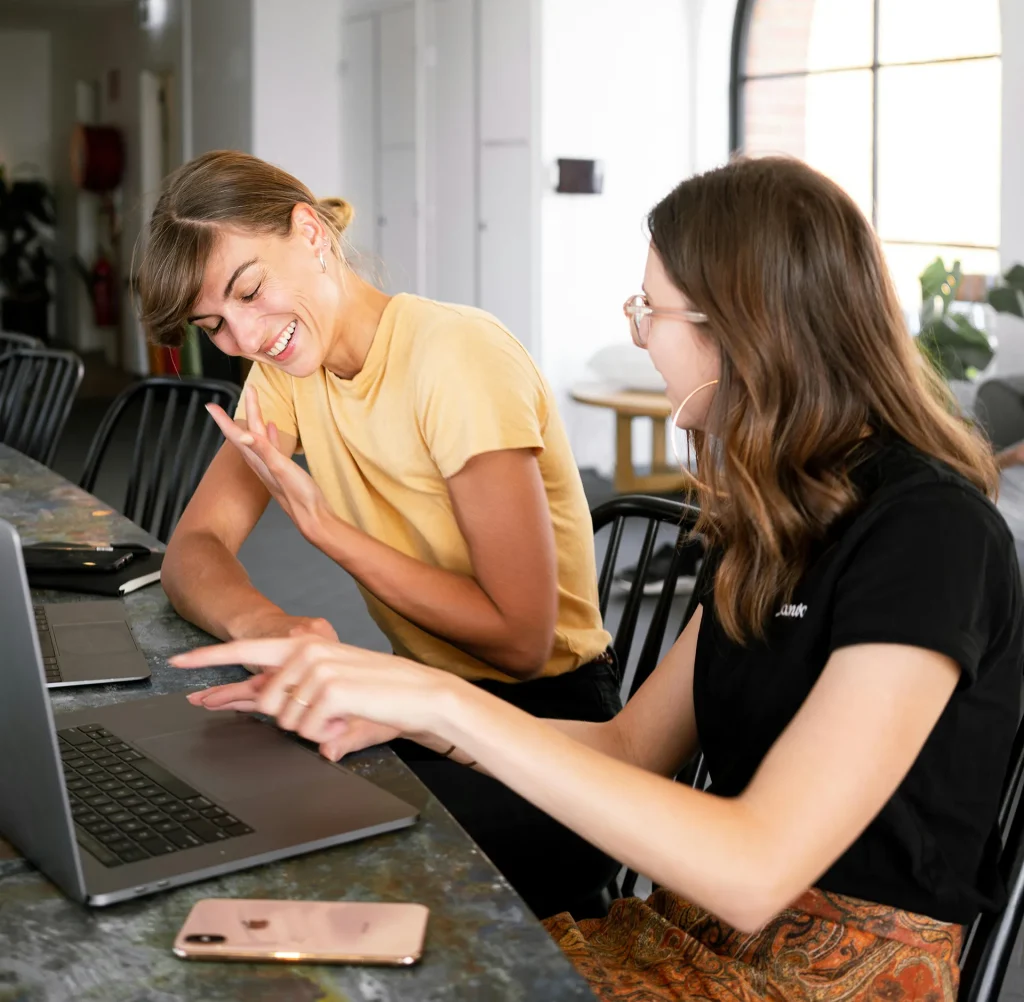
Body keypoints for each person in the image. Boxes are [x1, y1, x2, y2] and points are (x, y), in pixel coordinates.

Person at [172, 156, 1023, 1002]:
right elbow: (630, 749)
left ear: (743, 325)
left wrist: (436, 701)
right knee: (309, 961)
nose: (640, 335)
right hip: (690, 935)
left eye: (649, 310)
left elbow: (756, 870)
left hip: (828, 976)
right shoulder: (780, 517)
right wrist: (402, 709)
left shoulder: (930, 534)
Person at [135, 150, 621, 919]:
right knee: (226, 784)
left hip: (551, 735)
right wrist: (272, 626)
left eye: (250, 292)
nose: (245, 338)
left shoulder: (455, 356)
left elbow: (523, 641)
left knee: (300, 844)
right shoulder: (287, 370)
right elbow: (194, 550)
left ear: (310, 233)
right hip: (420, 703)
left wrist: (329, 532)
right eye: (214, 325)